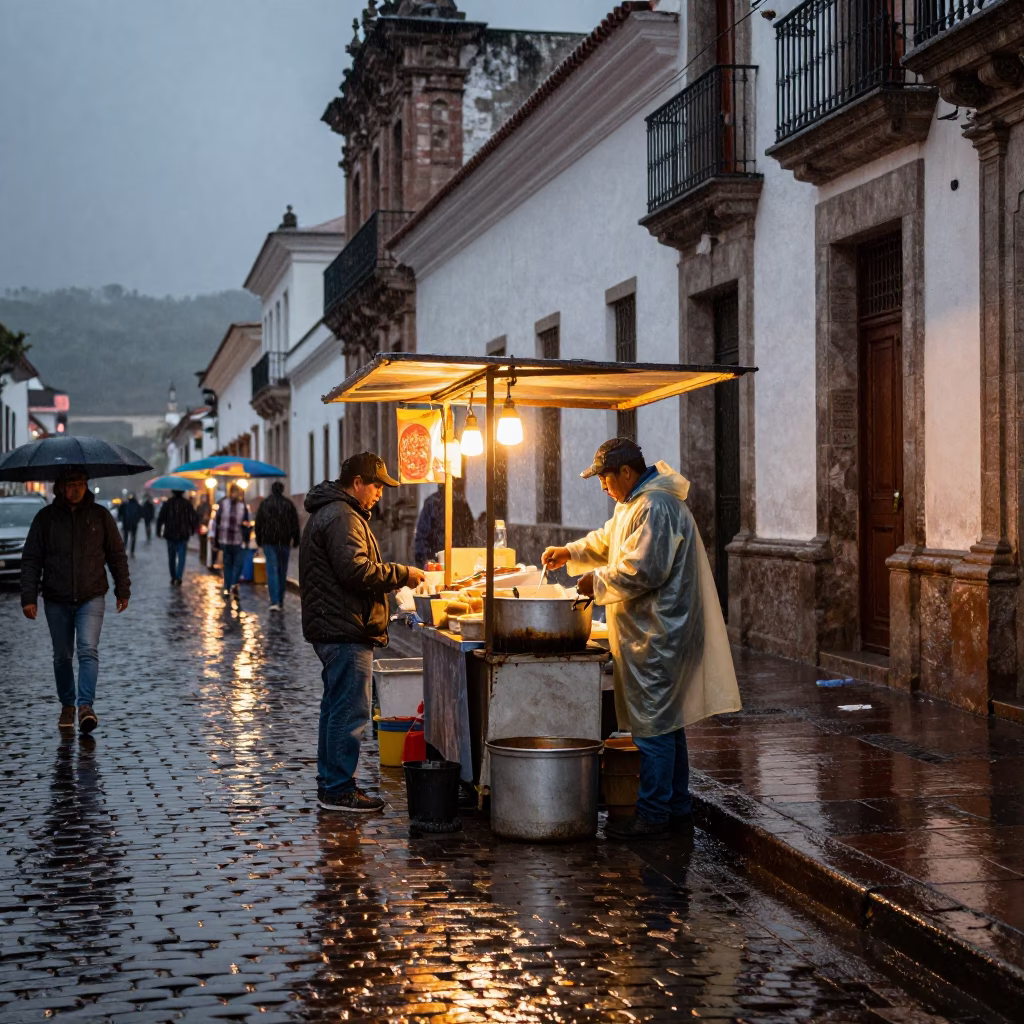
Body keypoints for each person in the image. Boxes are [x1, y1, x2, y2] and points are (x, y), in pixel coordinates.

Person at [543, 438, 740, 842]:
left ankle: (653, 815)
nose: (602, 486)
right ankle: (677, 807)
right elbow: (609, 542)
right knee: (668, 724)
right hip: (651, 635)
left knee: (653, 731)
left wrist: (592, 581)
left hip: (661, 636)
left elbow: (642, 570)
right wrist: (570, 551)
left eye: (604, 477)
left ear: (627, 473)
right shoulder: (635, 504)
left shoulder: (657, 507)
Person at [300, 452, 425, 812]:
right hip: (344, 628)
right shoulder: (341, 515)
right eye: (376, 486)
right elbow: (356, 572)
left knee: (335, 708)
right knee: (349, 712)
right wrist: (402, 574)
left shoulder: (336, 511)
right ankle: (339, 789)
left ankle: (331, 782)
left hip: (334, 625)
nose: (380, 494)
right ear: (357, 483)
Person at [20, 468, 131, 734]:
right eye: (71, 484)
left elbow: (116, 554)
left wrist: (122, 590)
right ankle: (67, 704)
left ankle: (85, 706)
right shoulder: (45, 518)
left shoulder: (100, 516)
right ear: (59, 487)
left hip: (91, 595)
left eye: (81, 483)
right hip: (56, 597)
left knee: (87, 650)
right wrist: (28, 596)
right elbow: (31, 558)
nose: (76, 489)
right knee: (61, 656)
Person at [255, 481, 301, 611]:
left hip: (269, 542)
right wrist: (296, 539)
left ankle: (274, 600)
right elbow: (295, 523)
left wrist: (259, 540)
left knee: (272, 570)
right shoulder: (288, 504)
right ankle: (280, 598)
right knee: (282, 571)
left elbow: (259, 523)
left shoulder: (265, 504)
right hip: (284, 542)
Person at [414, 477, 475, 568]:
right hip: (439, 565)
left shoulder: (461, 505)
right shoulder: (432, 504)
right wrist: (428, 563)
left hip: (458, 564)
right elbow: (422, 539)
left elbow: (470, 535)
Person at [213, 484, 250, 599]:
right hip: (235, 540)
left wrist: (217, 539)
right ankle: (232, 585)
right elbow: (246, 523)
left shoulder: (223, 504)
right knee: (235, 565)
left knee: (230, 565)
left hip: (227, 540)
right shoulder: (241, 505)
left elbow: (217, 522)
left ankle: (228, 587)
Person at [157, 489, 199, 585]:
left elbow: (161, 518)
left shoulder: (168, 503)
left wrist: (158, 531)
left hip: (170, 533)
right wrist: (192, 529)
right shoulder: (187, 504)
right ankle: (179, 576)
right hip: (183, 534)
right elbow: (193, 517)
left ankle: (173, 576)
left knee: (171, 556)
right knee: (182, 556)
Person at [197, 492, 213, 566]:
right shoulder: (200, 506)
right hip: (202, 525)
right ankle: (203, 556)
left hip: (205, 526)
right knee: (202, 542)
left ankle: (204, 557)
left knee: (204, 542)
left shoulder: (206, 506)